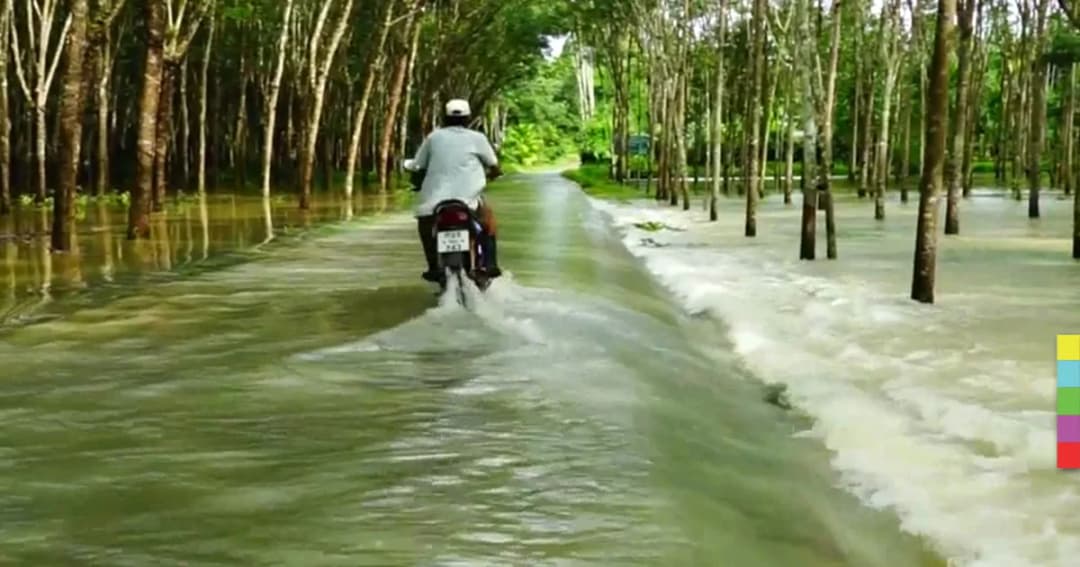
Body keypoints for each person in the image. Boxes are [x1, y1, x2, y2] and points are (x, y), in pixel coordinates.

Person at [409, 99, 502, 283]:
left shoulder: (434, 138)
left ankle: (433, 266)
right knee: (489, 222)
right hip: (469, 200)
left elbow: (417, 165)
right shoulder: (477, 138)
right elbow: (494, 164)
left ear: (445, 117)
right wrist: (494, 173)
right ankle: (489, 264)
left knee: (424, 224)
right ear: (468, 118)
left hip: (435, 202)